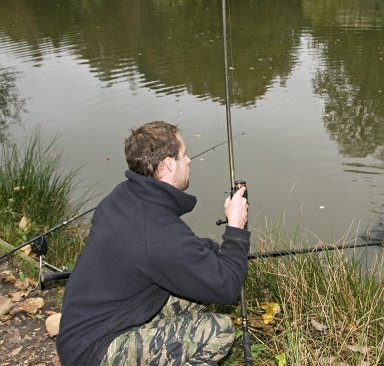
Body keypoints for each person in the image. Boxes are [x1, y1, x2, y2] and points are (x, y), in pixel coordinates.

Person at [57, 121, 250, 366]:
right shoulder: (157, 230)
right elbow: (226, 287)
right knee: (217, 331)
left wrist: (216, 253)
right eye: (184, 154)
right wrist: (236, 228)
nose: (189, 160)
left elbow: (171, 251)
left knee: (199, 294)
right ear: (169, 164)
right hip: (94, 353)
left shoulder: (124, 195)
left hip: (84, 332)